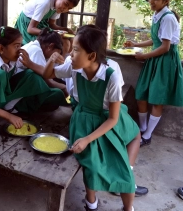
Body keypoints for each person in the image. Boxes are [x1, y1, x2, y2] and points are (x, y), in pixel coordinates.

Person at [43, 27, 140, 211]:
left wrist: (88, 139)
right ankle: (91, 203)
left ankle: (128, 208)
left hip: (107, 119)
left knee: (124, 170)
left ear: (92, 56)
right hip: (84, 118)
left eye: (76, 49)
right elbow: (47, 75)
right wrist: (51, 60)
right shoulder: (74, 66)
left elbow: (113, 118)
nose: (70, 54)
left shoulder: (111, 74)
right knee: (91, 163)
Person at [124, 0, 183, 147]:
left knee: (157, 99)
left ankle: (148, 135)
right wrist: (136, 44)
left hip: (165, 61)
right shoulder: (158, 15)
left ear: (166, 1)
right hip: (154, 59)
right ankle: (143, 128)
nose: (151, 2)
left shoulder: (168, 18)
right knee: (141, 95)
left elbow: (165, 47)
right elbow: (156, 40)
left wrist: (144, 56)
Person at [0, 26, 66, 128]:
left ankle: (9, 107)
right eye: (16, 46)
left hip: (2, 97)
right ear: (1, 48)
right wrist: (9, 116)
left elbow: (42, 74)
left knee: (32, 75)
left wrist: (29, 63)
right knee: (0, 74)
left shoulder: (14, 60)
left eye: (20, 45)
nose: (20, 49)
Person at [14, 0, 80, 53]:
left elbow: (51, 24)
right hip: (27, 25)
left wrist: (66, 30)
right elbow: (30, 29)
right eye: (66, 4)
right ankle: (55, 63)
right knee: (63, 43)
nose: (65, 9)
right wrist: (52, 33)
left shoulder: (58, 6)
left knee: (70, 40)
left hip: (41, 26)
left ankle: (59, 63)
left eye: (69, 8)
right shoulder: (45, 2)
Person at [16, 27, 68, 97]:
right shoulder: (36, 50)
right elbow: (48, 80)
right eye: (56, 53)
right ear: (51, 46)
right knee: (57, 94)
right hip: (19, 88)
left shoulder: (35, 46)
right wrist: (65, 87)